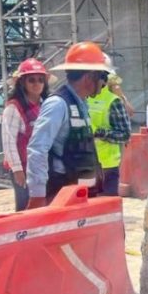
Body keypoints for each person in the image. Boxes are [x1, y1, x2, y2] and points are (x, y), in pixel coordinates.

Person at [26, 41, 113, 208]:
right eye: (103, 76)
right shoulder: (58, 104)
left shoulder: (81, 104)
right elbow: (37, 149)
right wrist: (37, 195)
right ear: (89, 76)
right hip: (61, 192)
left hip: (79, 191)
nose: (104, 83)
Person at [1, 58, 51, 211]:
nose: (37, 84)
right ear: (22, 82)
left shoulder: (46, 105)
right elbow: (8, 141)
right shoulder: (13, 108)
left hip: (42, 166)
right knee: (25, 207)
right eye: (31, 80)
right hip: (23, 166)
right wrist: (17, 170)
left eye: (40, 80)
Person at [88, 63, 132, 196]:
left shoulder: (113, 101)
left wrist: (99, 132)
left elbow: (125, 134)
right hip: (85, 164)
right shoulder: (82, 98)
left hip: (107, 165)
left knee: (106, 209)